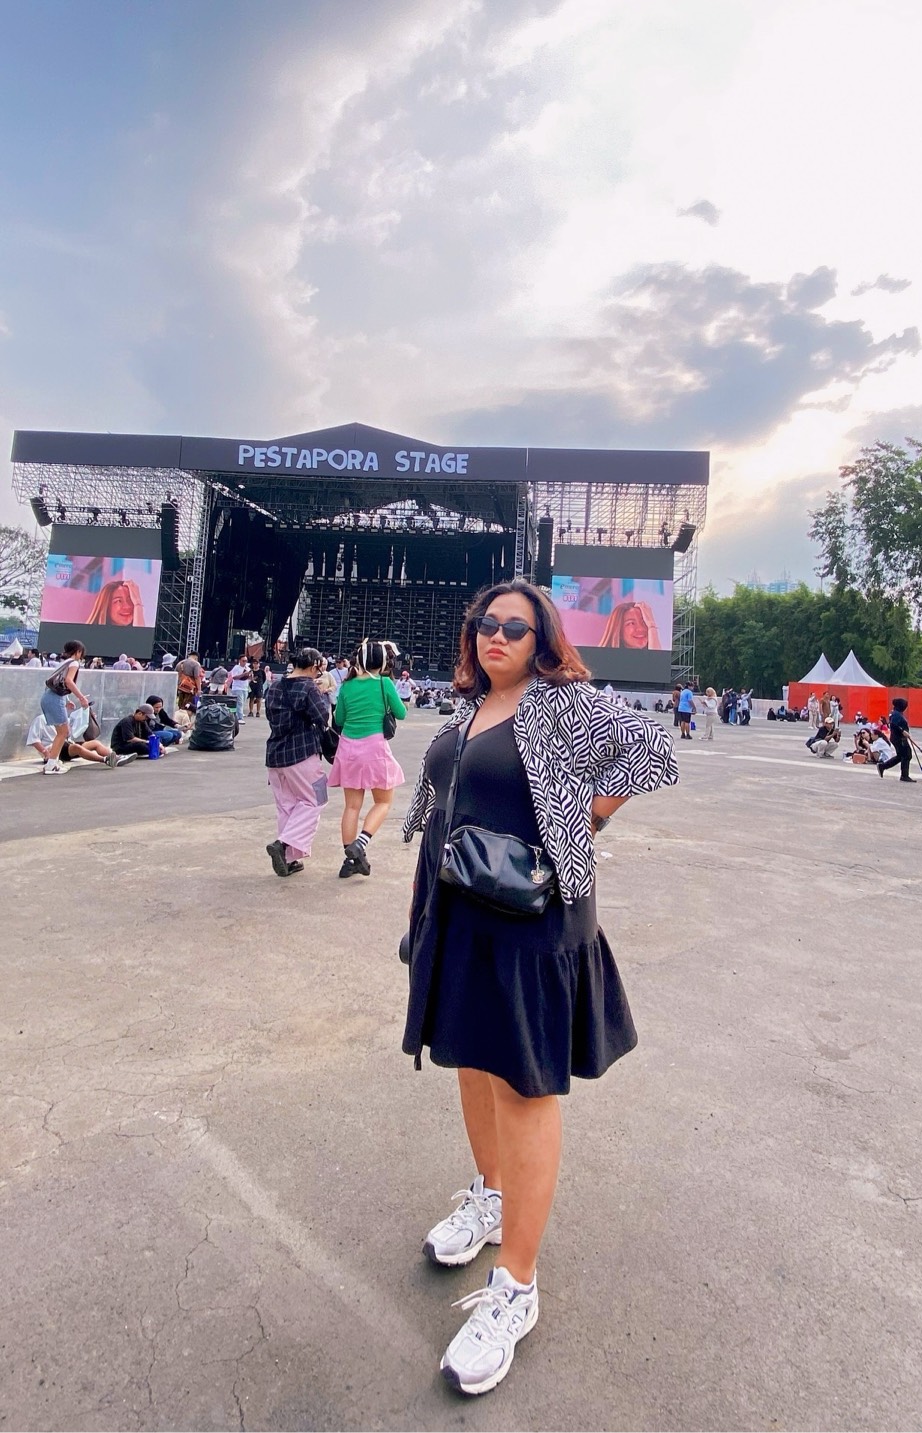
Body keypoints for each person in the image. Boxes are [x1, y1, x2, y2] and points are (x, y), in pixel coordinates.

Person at [401, 578, 677, 1395]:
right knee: (470, 1058)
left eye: (515, 628)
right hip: (459, 906)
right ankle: (490, 1198)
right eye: (486, 623)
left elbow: (655, 750)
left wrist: (587, 817)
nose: (496, 635)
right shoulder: (467, 705)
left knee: (523, 1084)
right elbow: (444, 792)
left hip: (527, 914)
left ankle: (516, 1285)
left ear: (542, 638)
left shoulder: (560, 702)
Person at [329, 640, 408, 879]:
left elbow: (339, 719)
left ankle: (350, 859)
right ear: (383, 662)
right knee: (383, 802)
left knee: (351, 806)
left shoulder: (347, 685)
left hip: (348, 748)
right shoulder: (384, 683)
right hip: (374, 748)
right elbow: (402, 713)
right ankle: (361, 843)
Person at [264, 647, 332, 877]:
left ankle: (289, 859)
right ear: (314, 667)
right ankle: (283, 844)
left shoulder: (275, 686)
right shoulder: (309, 687)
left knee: (287, 806)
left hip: (275, 754)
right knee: (316, 799)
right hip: (302, 753)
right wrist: (320, 693)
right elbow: (322, 717)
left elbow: (271, 716)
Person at [39, 640, 89, 774]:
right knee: (63, 732)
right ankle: (51, 764)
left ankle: (53, 761)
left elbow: (55, 682)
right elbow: (68, 681)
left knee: (62, 732)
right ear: (78, 652)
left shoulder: (63, 663)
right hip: (55, 699)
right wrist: (81, 698)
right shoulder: (74, 663)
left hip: (49, 697)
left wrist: (66, 700)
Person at [26, 712, 134, 768]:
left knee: (95, 743)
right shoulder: (40, 719)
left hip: (67, 744)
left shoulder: (63, 718)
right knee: (76, 747)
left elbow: (71, 732)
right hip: (52, 749)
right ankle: (105, 760)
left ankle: (116, 757)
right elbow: (34, 739)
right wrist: (45, 753)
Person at [877, 697, 915, 782]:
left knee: (901, 756)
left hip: (899, 738)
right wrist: (902, 731)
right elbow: (893, 724)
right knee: (906, 755)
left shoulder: (896, 713)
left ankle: (883, 766)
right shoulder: (896, 714)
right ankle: (904, 776)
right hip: (899, 738)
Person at [227, 657, 251, 725]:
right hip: (237, 688)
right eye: (243, 661)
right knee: (239, 702)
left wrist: (250, 675)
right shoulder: (236, 667)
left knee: (242, 702)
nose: (245, 662)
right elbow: (234, 677)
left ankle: (237, 715)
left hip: (245, 687)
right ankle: (240, 718)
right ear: (240, 661)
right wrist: (243, 674)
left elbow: (248, 678)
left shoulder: (247, 668)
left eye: (246, 661)